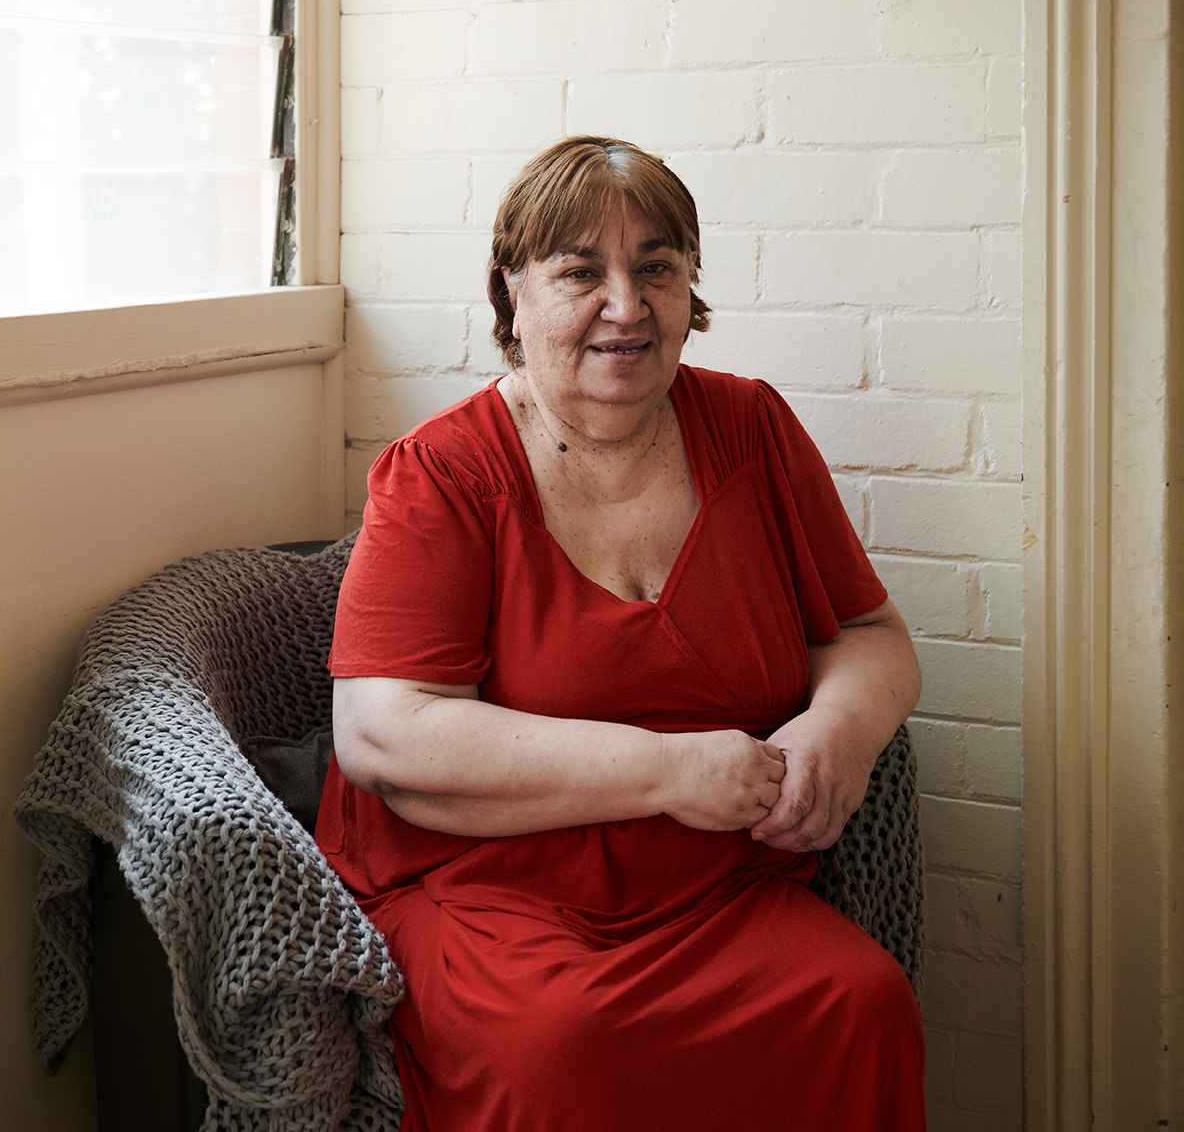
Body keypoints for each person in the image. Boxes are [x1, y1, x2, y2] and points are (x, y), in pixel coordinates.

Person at [316, 136, 927, 1130]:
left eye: (658, 267)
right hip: (493, 896)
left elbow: (868, 633)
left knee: (862, 1001)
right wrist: (671, 771)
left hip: (716, 887)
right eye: (579, 272)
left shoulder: (753, 431)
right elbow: (384, 732)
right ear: (511, 296)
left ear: (691, 289)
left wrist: (839, 732)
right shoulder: (440, 473)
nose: (627, 305)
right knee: (566, 1046)